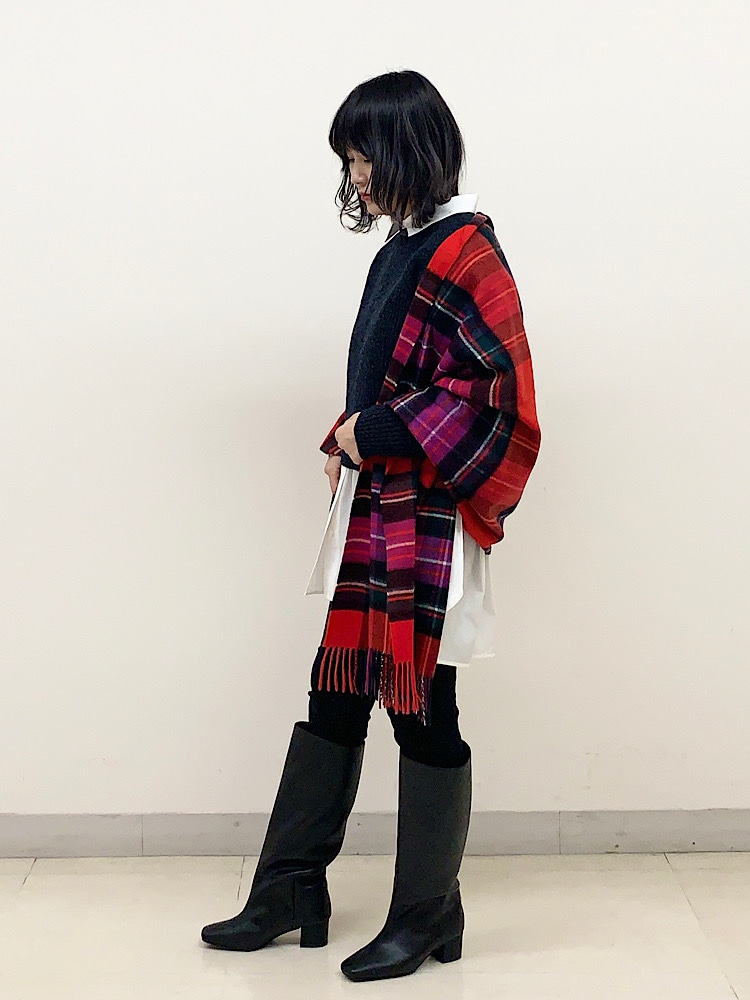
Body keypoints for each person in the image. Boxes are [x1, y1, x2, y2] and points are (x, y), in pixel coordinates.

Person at [200, 69, 540, 983]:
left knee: (423, 705)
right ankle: (290, 889)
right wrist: (348, 437)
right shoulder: (405, 245)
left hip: (427, 515)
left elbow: (495, 396)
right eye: (347, 161)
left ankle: (428, 913)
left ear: (406, 151)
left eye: (360, 158)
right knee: (338, 690)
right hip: (379, 502)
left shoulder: (468, 249)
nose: (353, 177)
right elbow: (388, 383)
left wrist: (373, 432)